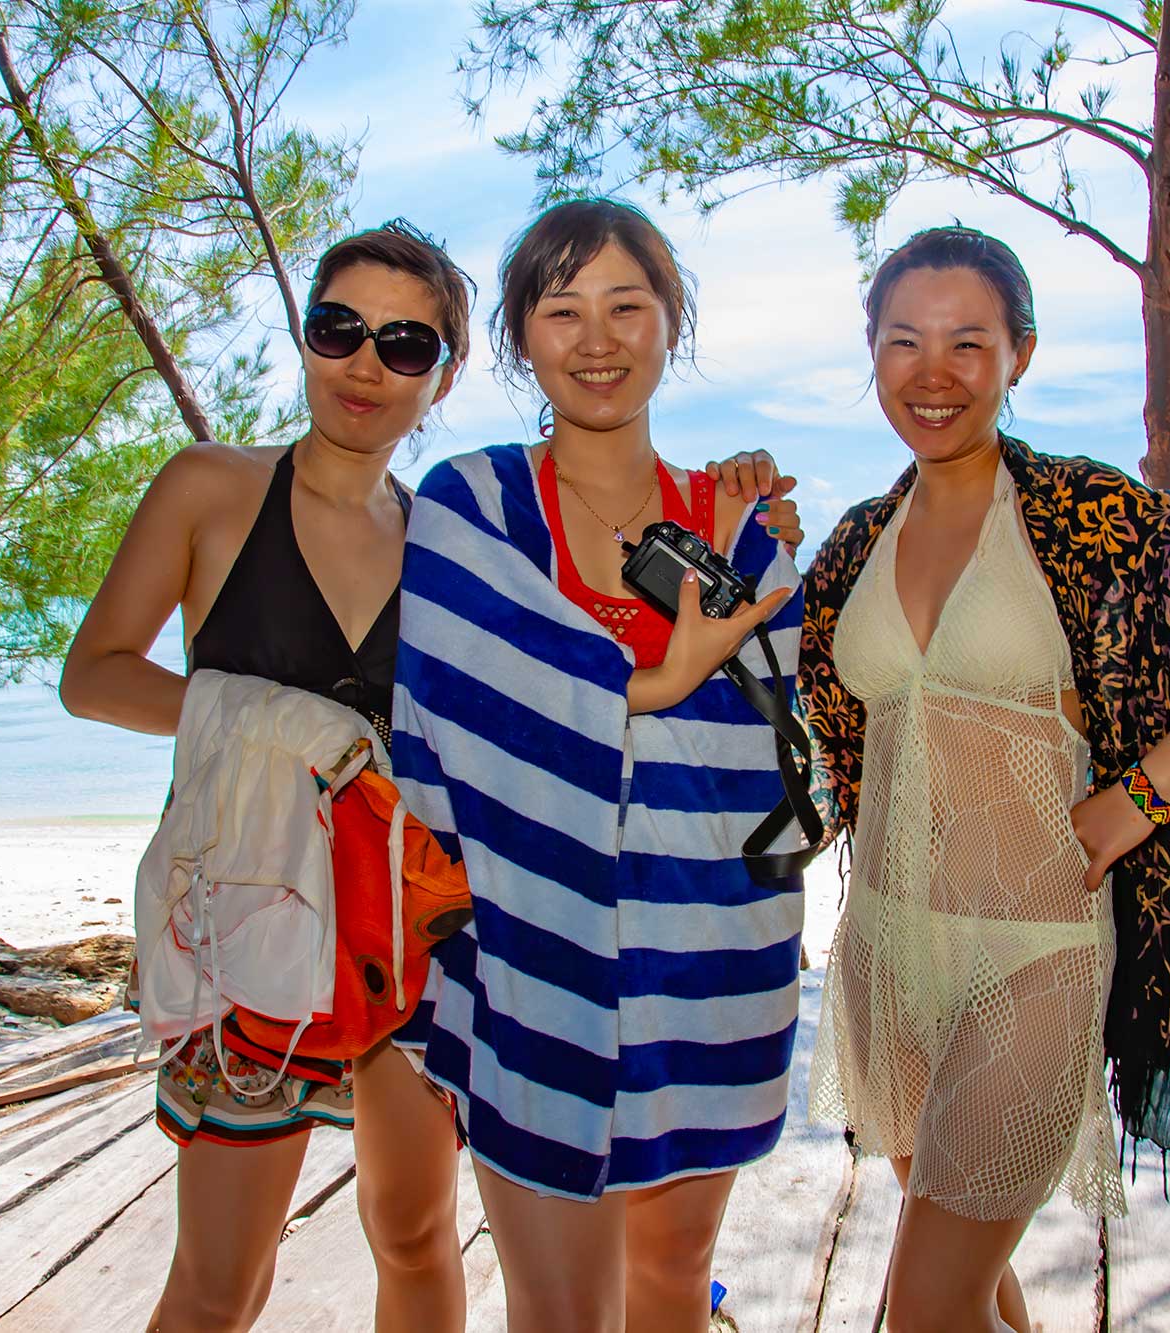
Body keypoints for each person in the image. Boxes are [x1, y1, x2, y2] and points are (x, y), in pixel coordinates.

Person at [799, 226, 1170, 1333]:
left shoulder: (1085, 514)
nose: (931, 374)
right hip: (884, 948)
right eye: (903, 343)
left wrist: (1139, 798)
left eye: (967, 343)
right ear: (870, 353)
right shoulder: (852, 545)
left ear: (1018, 356)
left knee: (924, 1309)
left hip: (1033, 952)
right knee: (972, 1290)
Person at [389, 198, 814, 1333]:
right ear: (522, 339)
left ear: (671, 324)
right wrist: (661, 684)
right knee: (558, 1306)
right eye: (561, 308)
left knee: (672, 1279)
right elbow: (462, 700)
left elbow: (782, 732)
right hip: (530, 954)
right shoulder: (470, 504)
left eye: (628, 304)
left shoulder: (732, 521)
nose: (597, 338)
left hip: (713, 953)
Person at [59, 220, 477, 1333]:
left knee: (418, 1240)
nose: (364, 365)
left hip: (396, 924)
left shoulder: (443, 538)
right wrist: (276, 722)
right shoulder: (212, 486)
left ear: (441, 376)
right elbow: (92, 677)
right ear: (304, 337)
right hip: (246, 910)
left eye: (404, 344)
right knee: (220, 1282)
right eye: (338, 328)